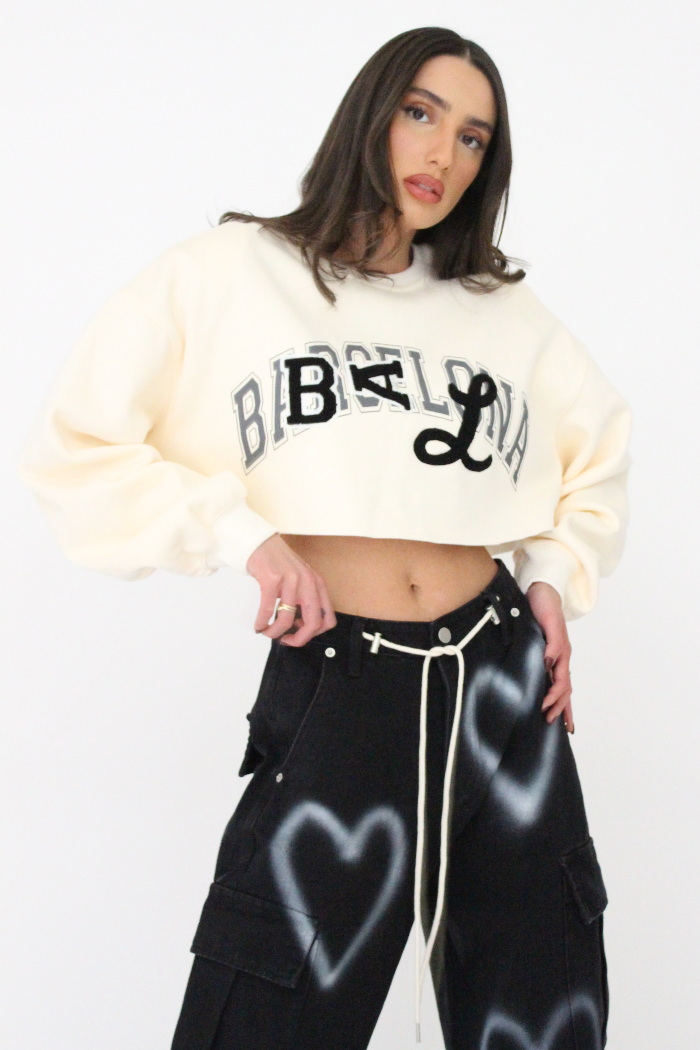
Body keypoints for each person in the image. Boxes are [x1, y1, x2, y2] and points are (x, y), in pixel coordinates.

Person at [19, 26, 629, 1050]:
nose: (442, 154)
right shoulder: (232, 272)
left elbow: (597, 449)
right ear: (372, 113)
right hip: (345, 676)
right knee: (266, 1004)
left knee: (542, 1002)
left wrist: (553, 578)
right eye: (421, 113)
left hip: (500, 687)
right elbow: (77, 444)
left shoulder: (500, 312)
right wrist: (241, 534)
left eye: (473, 137)